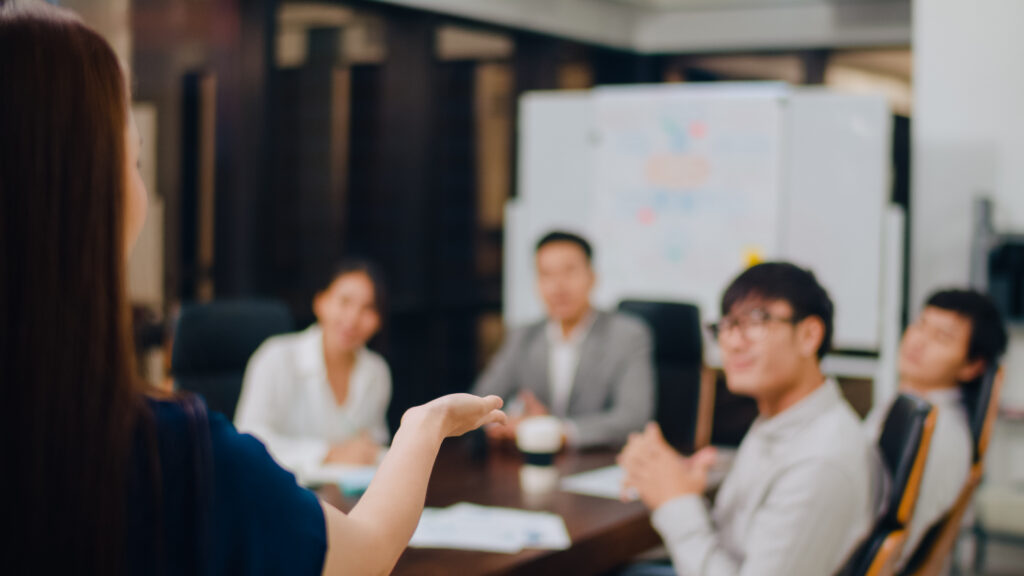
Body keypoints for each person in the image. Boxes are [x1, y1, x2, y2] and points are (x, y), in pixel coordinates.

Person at [0, 2, 505, 575]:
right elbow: (360, 556)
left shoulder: (368, 376)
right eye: (136, 161)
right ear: (102, 194)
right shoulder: (174, 458)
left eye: (367, 308)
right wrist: (427, 424)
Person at [618, 262, 874, 576]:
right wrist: (679, 484)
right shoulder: (780, 418)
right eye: (726, 326)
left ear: (809, 335)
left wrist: (675, 500)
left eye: (756, 321)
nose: (733, 342)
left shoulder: (820, 461)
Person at [864, 288, 1007, 570]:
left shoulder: (935, 435)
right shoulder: (908, 406)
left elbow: (888, 552)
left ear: (972, 366)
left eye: (942, 337)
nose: (918, 342)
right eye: (920, 325)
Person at [473, 230, 654, 448]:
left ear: (592, 277)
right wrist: (510, 418)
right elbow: (478, 404)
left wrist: (551, 430)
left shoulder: (627, 335)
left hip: (598, 464)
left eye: (569, 271)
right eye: (546, 274)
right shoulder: (523, 337)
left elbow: (632, 418)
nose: (558, 286)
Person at [235, 260, 392, 473]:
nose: (353, 318)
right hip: (284, 492)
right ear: (321, 302)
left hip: (347, 499)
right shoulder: (276, 357)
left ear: (379, 321)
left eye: (368, 308)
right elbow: (248, 440)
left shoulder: (376, 371)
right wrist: (329, 453)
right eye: (344, 302)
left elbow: (373, 444)